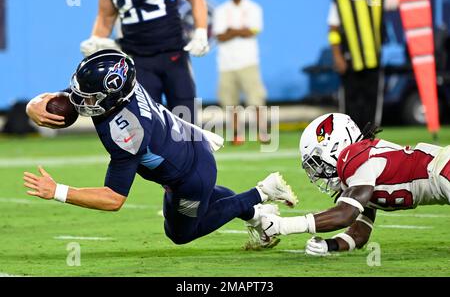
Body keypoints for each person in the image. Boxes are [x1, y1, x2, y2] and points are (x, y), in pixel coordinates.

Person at [23, 50, 298, 247]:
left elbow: (113, 199)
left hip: (189, 176)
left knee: (180, 233)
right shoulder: (123, 83)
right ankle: (259, 219)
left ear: (111, 97)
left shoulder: (126, 131)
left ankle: (261, 192)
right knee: (201, 200)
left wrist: (57, 191)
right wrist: (33, 105)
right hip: (188, 144)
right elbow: (81, 92)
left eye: (90, 96)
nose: (80, 100)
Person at [260, 113, 449, 255]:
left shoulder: (354, 158)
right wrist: (329, 245)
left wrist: (283, 225)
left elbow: (344, 215)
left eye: (317, 162)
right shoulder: (361, 176)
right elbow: (360, 234)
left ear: (336, 146)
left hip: (444, 169)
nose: (317, 172)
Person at [79, 0, 211, 124]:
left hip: (173, 55)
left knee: (185, 118)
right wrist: (96, 39)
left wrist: (201, 31)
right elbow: (106, 16)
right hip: (139, 60)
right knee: (148, 124)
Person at [328, 0, 398, 129]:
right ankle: (351, 137)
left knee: (371, 101)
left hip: (373, 60)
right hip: (349, 60)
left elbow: (399, 3)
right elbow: (333, 31)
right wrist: (337, 56)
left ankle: (369, 137)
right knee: (350, 102)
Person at [212, 0, 268, 145]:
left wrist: (232, 31)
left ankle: (263, 132)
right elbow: (220, 36)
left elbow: (252, 31)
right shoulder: (221, 10)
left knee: (256, 100)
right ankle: (237, 134)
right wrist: (240, 30)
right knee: (230, 103)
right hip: (226, 63)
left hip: (248, 61)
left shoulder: (254, 8)